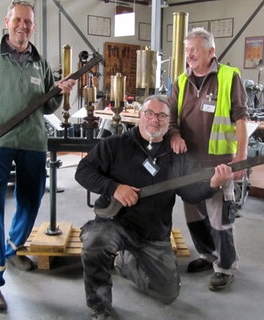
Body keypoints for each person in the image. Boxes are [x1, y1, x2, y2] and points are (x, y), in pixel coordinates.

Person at [0, 1, 76, 313]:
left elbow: (46, 106)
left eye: (29, 22)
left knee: (30, 201)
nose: (23, 26)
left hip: (33, 144)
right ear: (7, 22)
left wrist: (60, 91)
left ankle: (12, 247)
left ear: (33, 26)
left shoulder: (40, 63)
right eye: (18, 20)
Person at [75, 95, 233, 320]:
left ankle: (124, 262)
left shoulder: (176, 156)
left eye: (162, 115)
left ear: (169, 122)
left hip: (153, 233)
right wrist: (114, 188)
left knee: (168, 292)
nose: (155, 120)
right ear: (139, 116)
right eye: (149, 113)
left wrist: (212, 184)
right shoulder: (115, 145)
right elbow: (83, 171)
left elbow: (189, 192)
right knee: (95, 244)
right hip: (115, 223)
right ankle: (100, 308)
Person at [168, 27, 249, 291]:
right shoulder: (180, 81)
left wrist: (241, 156)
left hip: (220, 163)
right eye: (187, 50)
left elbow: (240, 118)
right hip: (188, 163)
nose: (189, 55)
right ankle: (206, 254)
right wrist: (175, 134)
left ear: (211, 52)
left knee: (220, 218)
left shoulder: (229, 77)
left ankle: (225, 267)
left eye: (195, 50)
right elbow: (171, 117)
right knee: (195, 215)